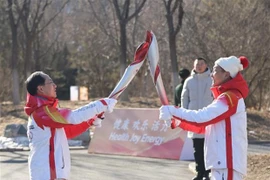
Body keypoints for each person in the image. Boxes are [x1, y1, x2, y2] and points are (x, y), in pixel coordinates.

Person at [160, 56, 249, 180]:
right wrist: (176, 120)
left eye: (215, 70)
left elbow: (202, 117)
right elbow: (205, 127)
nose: (212, 74)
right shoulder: (225, 97)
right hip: (221, 163)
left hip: (227, 162)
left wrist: (174, 111)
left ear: (226, 74)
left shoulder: (230, 98)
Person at [24, 71, 117, 180]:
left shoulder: (42, 113)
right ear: (41, 88)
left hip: (50, 173)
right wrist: (101, 104)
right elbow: (73, 117)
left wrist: (90, 121)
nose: (55, 85)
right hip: (48, 174)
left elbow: (67, 131)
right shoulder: (42, 112)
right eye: (51, 82)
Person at [181, 58, 213, 180]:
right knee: (197, 147)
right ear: (193, 66)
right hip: (194, 117)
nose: (199, 66)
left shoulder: (212, 79)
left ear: (206, 65)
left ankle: (208, 172)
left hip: (208, 117)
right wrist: (185, 113)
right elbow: (184, 98)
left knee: (209, 146)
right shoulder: (189, 81)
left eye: (201, 64)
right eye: (197, 64)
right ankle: (199, 172)